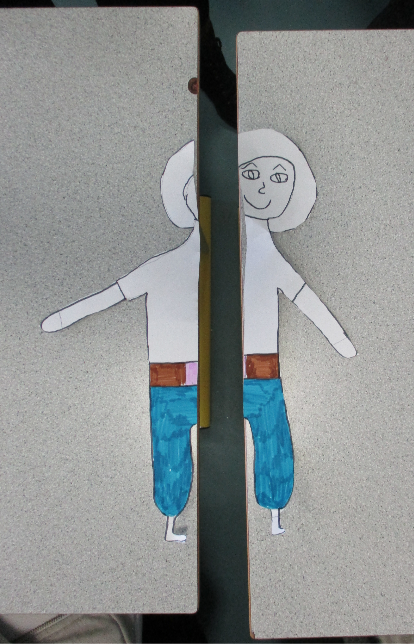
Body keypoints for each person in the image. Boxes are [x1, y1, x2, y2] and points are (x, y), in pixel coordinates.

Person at [42, 140, 199, 543]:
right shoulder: (161, 268)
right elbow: (110, 295)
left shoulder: (233, 271)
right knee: (170, 453)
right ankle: (170, 520)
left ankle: (178, 519)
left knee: (183, 450)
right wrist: (64, 317)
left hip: (217, 379)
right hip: (168, 380)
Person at [239, 129, 357, 535]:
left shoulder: (269, 258)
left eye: (278, 178)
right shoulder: (216, 251)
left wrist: (339, 340)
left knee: (272, 439)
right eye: (250, 174)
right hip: (214, 367)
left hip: (261, 369)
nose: (263, 188)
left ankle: (274, 514)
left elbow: (305, 297)